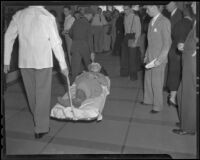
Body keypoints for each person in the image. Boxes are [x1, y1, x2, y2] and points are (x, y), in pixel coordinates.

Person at [4, 6, 69, 139]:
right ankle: (41, 127)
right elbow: (56, 43)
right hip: (43, 61)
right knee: (42, 95)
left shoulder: (19, 15)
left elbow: (8, 36)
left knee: (31, 93)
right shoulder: (47, 16)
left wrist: (6, 61)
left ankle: (38, 119)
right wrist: (63, 65)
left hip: (25, 62)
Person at [172, 2, 198, 135]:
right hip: (189, 62)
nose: (192, 6)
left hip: (193, 64)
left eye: (194, 4)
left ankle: (188, 127)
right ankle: (187, 121)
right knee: (183, 93)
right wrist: (185, 45)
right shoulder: (196, 20)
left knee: (188, 95)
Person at [142, 5, 172, 113]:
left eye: (148, 8)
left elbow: (167, 43)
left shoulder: (164, 21)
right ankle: (148, 100)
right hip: (150, 57)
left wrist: (161, 58)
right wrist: (146, 55)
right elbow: (149, 42)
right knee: (148, 80)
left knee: (157, 82)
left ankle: (157, 106)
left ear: (154, 7)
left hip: (158, 59)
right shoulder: (151, 21)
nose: (146, 10)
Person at [69, 7, 95, 83]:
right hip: (85, 47)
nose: (91, 18)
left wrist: (76, 38)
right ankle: (91, 84)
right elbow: (90, 39)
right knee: (89, 66)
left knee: (75, 70)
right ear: (89, 15)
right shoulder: (88, 24)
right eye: (92, 16)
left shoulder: (76, 21)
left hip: (75, 46)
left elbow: (70, 33)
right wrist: (92, 52)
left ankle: (72, 87)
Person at [165, 2, 183, 106]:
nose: (166, 6)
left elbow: (178, 32)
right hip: (172, 46)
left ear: (173, 3)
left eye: (167, 3)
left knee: (175, 71)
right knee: (172, 71)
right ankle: (172, 93)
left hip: (176, 47)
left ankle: (173, 96)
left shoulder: (179, 14)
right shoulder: (171, 14)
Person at [120, 5, 141, 81]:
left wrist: (136, 41)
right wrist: (125, 38)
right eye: (124, 9)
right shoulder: (125, 17)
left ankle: (133, 76)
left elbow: (138, 30)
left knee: (132, 58)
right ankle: (125, 73)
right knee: (124, 56)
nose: (125, 11)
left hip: (133, 37)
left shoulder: (135, 17)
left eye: (126, 9)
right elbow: (125, 28)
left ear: (130, 9)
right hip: (126, 37)